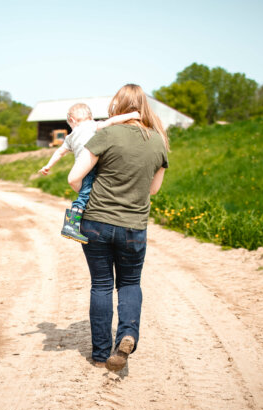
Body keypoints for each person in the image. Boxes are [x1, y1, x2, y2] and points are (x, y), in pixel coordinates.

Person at [67, 84, 169, 371]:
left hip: (96, 222)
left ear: (118, 107)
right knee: (130, 283)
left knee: (101, 285)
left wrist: (88, 194)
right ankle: (126, 335)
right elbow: (154, 189)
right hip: (133, 226)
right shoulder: (158, 142)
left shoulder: (108, 134)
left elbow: (74, 178)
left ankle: (100, 355)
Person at [39, 103, 140, 244]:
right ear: (91, 117)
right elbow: (112, 121)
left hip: (81, 167)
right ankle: (70, 226)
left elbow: (59, 152)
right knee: (85, 194)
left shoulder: (70, 136)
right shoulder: (92, 125)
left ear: (72, 120)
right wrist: (132, 115)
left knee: (86, 192)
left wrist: (48, 165)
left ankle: (77, 220)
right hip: (91, 166)